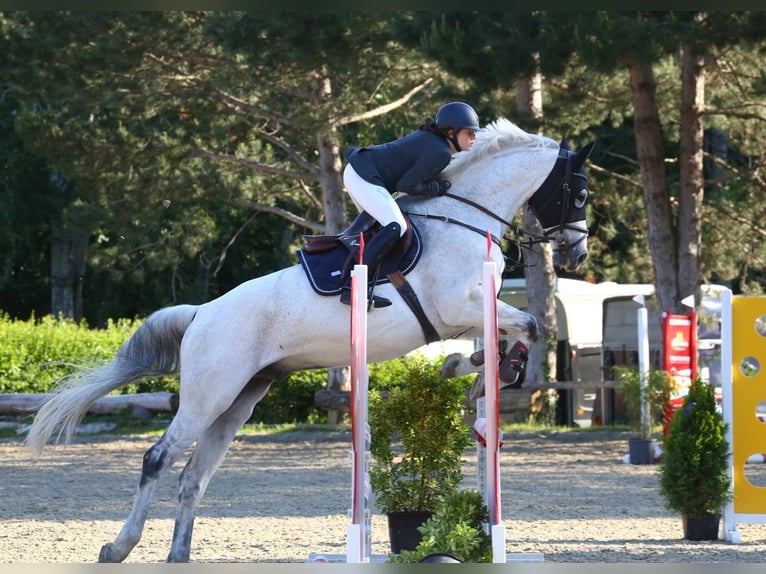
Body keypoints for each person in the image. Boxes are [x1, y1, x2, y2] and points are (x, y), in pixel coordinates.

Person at [340, 101, 481, 307]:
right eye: (469, 133)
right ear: (451, 132)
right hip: (364, 175)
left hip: (360, 171)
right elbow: (406, 184)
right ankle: (352, 289)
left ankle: (366, 282)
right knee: (396, 226)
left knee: (380, 232)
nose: (474, 138)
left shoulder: (436, 143)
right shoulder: (440, 152)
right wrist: (436, 188)